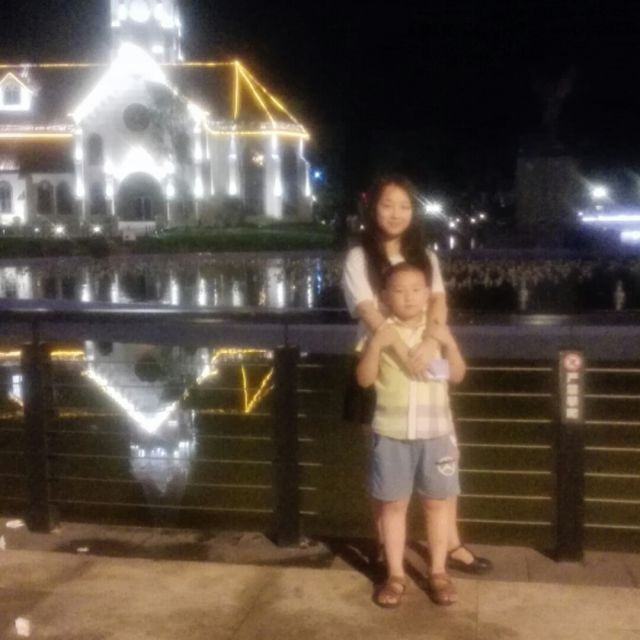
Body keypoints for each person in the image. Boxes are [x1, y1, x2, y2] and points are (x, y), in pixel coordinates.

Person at [342, 175, 492, 576]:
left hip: (426, 360)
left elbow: (439, 299)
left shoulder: (425, 255)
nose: (396, 214)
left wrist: (429, 341)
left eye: (405, 206)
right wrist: (401, 352)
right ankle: (385, 547)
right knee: (385, 463)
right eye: (387, 205)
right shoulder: (359, 256)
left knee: (443, 453)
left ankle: (451, 544)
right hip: (381, 360)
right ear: (372, 208)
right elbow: (367, 310)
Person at [357, 262, 466, 606]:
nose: (409, 297)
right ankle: (395, 574)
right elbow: (364, 380)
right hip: (391, 433)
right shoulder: (379, 332)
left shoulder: (436, 332)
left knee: (437, 504)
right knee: (393, 505)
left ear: (428, 295)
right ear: (384, 297)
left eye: (417, 289)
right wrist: (376, 345)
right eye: (400, 291)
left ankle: (438, 572)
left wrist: (450, 345)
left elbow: (458, 375)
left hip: (437, 434)